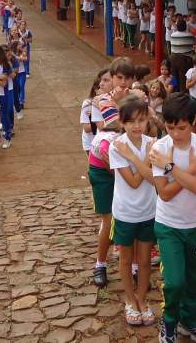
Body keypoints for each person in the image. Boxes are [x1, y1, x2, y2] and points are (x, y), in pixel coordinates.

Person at [141, 93, 196, 343]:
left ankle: (190, 321)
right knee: (174, 281)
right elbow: (165, 193)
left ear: (193, 120)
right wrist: (191, 169)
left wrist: (174, 170)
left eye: (181, 127)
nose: (175, 133)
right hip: (168, 225)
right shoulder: (159, 149)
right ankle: (169, 321)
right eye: (170, 127)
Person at [107, 95, 157, 327]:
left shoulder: (153, 144)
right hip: (126, 211)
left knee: (145, 260)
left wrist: (133, 158)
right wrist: (141, 159)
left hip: (149, 210)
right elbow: (135, 182)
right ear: (122, 123)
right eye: (131, 122)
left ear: (148, 119)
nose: (137, 126)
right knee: (126, 260)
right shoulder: (117, 147)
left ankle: (142, 299)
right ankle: (130, 300)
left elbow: (154, 178)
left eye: (141, 120)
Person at [88, 93, 121, 287]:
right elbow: (112, 167)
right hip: (103, 173)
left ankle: (134, 266)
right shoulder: (107, 141)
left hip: (121, 172)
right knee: (108, 220)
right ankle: (100, 264)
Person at [170, 19, 196, 93]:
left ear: (177, 26)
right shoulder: (190, 35)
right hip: (185, 60)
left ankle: (174, 93)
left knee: (174, 77)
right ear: (185, 26)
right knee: (184, 78)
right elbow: (194, 43)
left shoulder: (173, 35)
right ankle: (183, 95)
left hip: (173, 58)